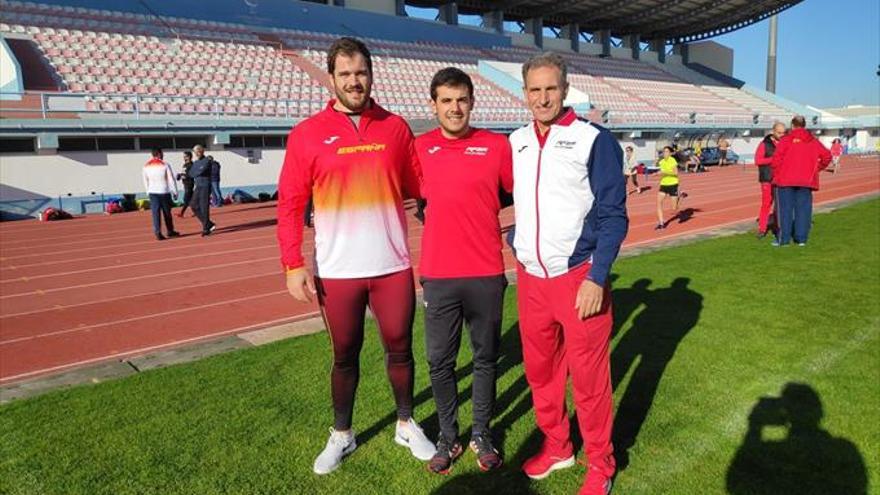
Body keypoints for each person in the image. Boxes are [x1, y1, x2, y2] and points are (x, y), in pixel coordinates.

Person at [276, 37, 434, 475]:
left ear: (371, 75)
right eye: (345, 74)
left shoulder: (395, 127)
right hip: (338, 270)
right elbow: (289, 204)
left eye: (360, 73)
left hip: (392, 265)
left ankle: (406, 423)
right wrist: (293, 263)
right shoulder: (307, 134)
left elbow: (420, 185)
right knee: (344, 353)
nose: (354, 81)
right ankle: (342, 434)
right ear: (331, 79)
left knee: (400, 349)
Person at [508, 52, 627, 495]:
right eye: (534, 90)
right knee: (541, 373)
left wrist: (597, 277)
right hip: (531, 280)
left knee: (590, 381)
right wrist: (517, 243)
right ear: (524, 94)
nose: (542, 98)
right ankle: (558, 446)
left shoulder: (593, 140)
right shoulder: (516, 141)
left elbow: (614, 215)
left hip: (579, 278)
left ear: (564, 88)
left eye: (550, 88)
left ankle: (602, 463)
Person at [416, 67, 513, 475]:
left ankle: (481, 433)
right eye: (446, 100)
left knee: (486, 357)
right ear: (434, 105)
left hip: (486, 271)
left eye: (461, 100)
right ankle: (447, 436)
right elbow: (418, 200)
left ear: (472, 102)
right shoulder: (419, 149)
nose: (455, 108)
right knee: (440, 361)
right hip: (438, 275)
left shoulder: (496, 145)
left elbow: (511, 193)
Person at [770, 115, 832, 246]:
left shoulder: (786, 140)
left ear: (792, 126)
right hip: (806, 181)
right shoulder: (813, 140)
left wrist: (777, 173)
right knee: (803, 210)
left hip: (785, 180)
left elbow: (776, 160)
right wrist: (816, 169)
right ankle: (801, 238)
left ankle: (783, 239)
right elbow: (827, 156)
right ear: (804, 125)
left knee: (784, 210)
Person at [753, 122, 786, 238]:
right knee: (766, 203)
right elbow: (758, 160)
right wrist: (773, 159)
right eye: (779, 132)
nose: (782, 135)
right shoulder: (764, 144)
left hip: (781, 178)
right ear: (773, 131)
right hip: (767, 178)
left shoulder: (785, 143)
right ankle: (762, 229)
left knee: (780, 204)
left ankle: (778, 227)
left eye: (783, 132)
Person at [142, 148, 179, 240]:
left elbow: (145, 180)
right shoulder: (165, 165)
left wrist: (147, 191)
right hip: (163, 191)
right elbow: (171, 179)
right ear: (159, 154)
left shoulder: (146, 166)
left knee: (155, 213)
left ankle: (158, 232)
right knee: (167, 212)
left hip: (152, 192)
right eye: (162, 153)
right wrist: (175, 191)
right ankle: (170, 230)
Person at [655, 146, 686, 230]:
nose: (665, 153)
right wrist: (658, 173)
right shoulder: (661, 162)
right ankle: (662, 223)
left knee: (674, 208)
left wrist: (663, 172)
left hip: (673, 184)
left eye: (667, 152)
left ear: (670, 153)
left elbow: (676, 173)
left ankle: (681, 196)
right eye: (664, 152)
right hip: (663, 184)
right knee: (658, 203)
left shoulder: (672, 160)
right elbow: (662, 172)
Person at [188, 145, 216, 236]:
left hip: (205, 185)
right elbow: (191, 173)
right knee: (193, 205)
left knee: (204, 207)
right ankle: (208, 223)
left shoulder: (207, 160)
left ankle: (205, 228)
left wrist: (196, 172)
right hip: (198, 186)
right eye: (195, 151)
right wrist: (196, 172)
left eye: (198, 151)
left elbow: (201, 171)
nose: (197, 153)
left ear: (202, 151)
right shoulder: (196, 162)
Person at [176, 151, 195, 217]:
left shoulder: (191, 165)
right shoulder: (184, 165)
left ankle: (182, 212)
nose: (184, 158)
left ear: (189, 157)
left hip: (189, 183)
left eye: (185, 156)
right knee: (191, 199)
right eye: (184, 157)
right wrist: (179, 176)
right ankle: (197, 211)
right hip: (185, 184)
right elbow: (183, 173)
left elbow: (192, 174)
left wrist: (184, 176)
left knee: (186, 199)